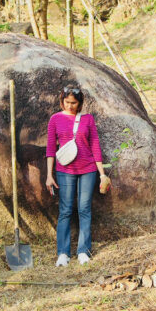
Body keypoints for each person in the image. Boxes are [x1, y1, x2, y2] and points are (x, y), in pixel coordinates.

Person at [45, 86, 108, 266]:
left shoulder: (87, 119)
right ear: (61, 101)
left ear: (80, 103)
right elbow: (51, 149)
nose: (70, 106)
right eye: (67, 102)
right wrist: (49, 175)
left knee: (84, 209)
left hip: (88, 169)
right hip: (64, 171)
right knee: (65, 210)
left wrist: (102, 174)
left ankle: (83, 251)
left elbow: (95, 146)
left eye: (74, 103)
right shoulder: (55, 119)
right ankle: (63, 253)